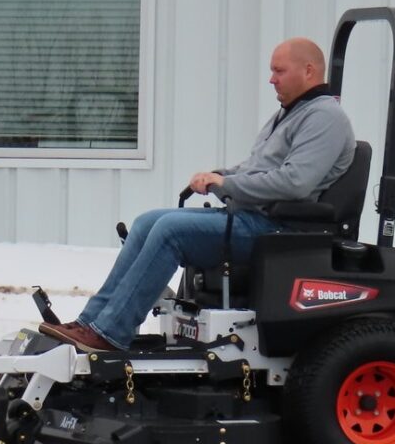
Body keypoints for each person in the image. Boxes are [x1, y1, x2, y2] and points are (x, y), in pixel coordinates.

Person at [40, 37, 356, 352]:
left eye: (279, 71)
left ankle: (109, 333)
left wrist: (227, 185)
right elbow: (256, 167)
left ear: (309, 71)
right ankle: (91, 322)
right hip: (255, 217)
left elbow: (295, 182)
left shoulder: (324, 117)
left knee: (170, 231)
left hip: (279, 230)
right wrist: (220, 176)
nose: (271, 79)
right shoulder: (290, 113)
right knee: (148, 221)